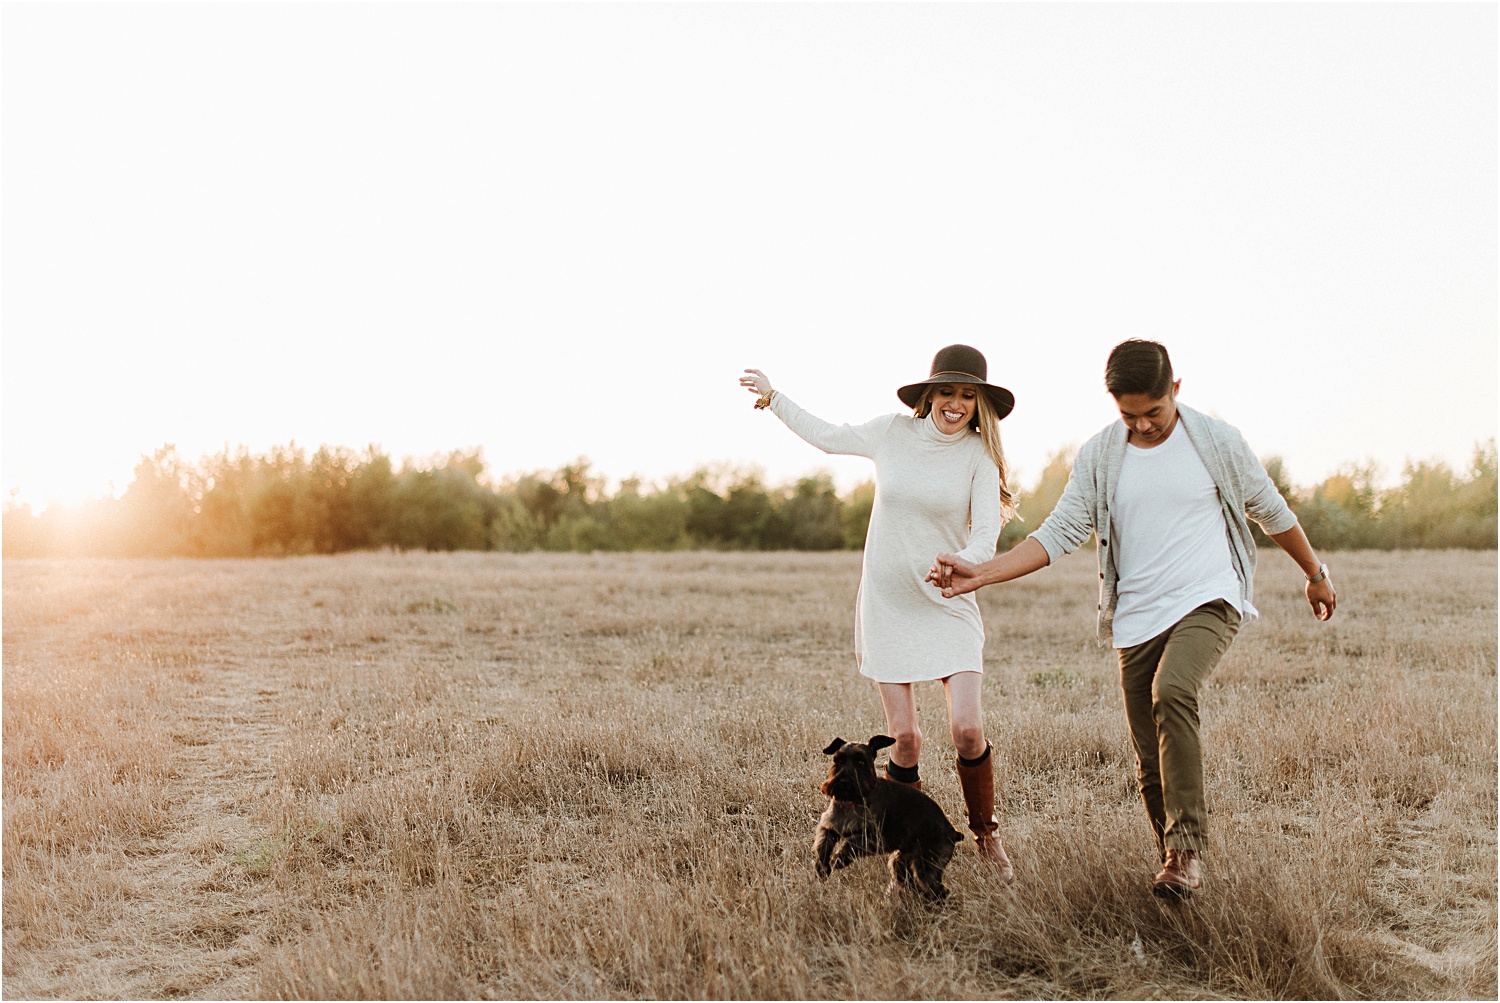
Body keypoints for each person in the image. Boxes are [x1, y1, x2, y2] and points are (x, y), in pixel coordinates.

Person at [927, 339, 1336, 900]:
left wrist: (1315, 571)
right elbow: (1060, 532)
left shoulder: (1216, 441)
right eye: (1129, 415)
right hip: (1137, 613)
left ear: (1176, 391)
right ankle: (1174, 869)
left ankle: (1186, 850)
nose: (1143, 426)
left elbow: (1270, 510)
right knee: (1149, 757)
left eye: (1154, 412)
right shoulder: (1101, 455)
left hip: (1209, 596)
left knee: (1173, 692)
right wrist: (983, 572)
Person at [741, 345, 1021, 881]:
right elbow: (827, 436)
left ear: (979, 404)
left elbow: (986, 535)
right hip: (889, 604)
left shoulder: (978, 459)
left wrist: (962, 564)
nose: (956, 404)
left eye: (967, 395)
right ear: (929, 395)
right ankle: (906, 849)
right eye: (947, 392)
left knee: (967, 729)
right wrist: (774, 398)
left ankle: (986, 833)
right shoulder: (892, 433)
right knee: (907, 740)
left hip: (949, 602)